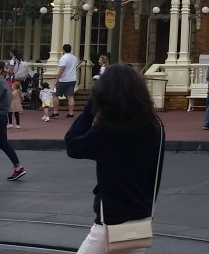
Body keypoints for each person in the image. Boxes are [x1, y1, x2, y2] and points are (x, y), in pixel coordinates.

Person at [65, 63, 165, 253]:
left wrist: (90, 108)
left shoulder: (107, 130)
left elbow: (72, 145)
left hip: (110, 220)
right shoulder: (156, 126)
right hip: (141, 216)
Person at [55, 43, 78, 118]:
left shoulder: (63, 58)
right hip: (72, 79)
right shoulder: (74, 58)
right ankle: (71, 112)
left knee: (55, 95)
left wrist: (57, 79)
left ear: (63, 50)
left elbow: (61, 69)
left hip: (63, 79)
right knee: (70, 96)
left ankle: (55, 111)